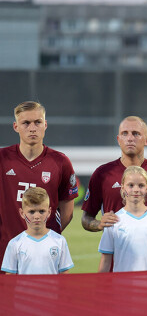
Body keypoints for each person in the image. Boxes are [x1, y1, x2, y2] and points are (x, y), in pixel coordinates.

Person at [0, 101, 77, 265]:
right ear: (16, 126)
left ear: (45, 124)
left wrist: (43, 238)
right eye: (26, 123)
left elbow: (68, 212)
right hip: (5, 251)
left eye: (37, 122)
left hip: (44, 255)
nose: (32, 128)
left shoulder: (60, 162)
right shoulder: (2, 159)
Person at [82, 116, 147, 232]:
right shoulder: (102, 174)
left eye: (136, 134)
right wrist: (99, 224)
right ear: (118, 140)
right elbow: (86, 218)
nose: (130, 138)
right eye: (124, 133)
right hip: (115, 249)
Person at [98, 166, 147, 272]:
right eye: (130, 185)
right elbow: (106, 261)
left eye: (141, 185)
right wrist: (101, 287)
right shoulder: (113, 220)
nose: (136, 189)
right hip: (123, 286)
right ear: (123, 188)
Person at [1, 187, 74, 274]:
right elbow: (10, 279)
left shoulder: (59, 241)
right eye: (32, 212)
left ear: (49, 212)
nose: (37, 216)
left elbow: (65, 277)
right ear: (22, 213)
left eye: (42, 211)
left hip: (51, 288)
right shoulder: (15, 244)